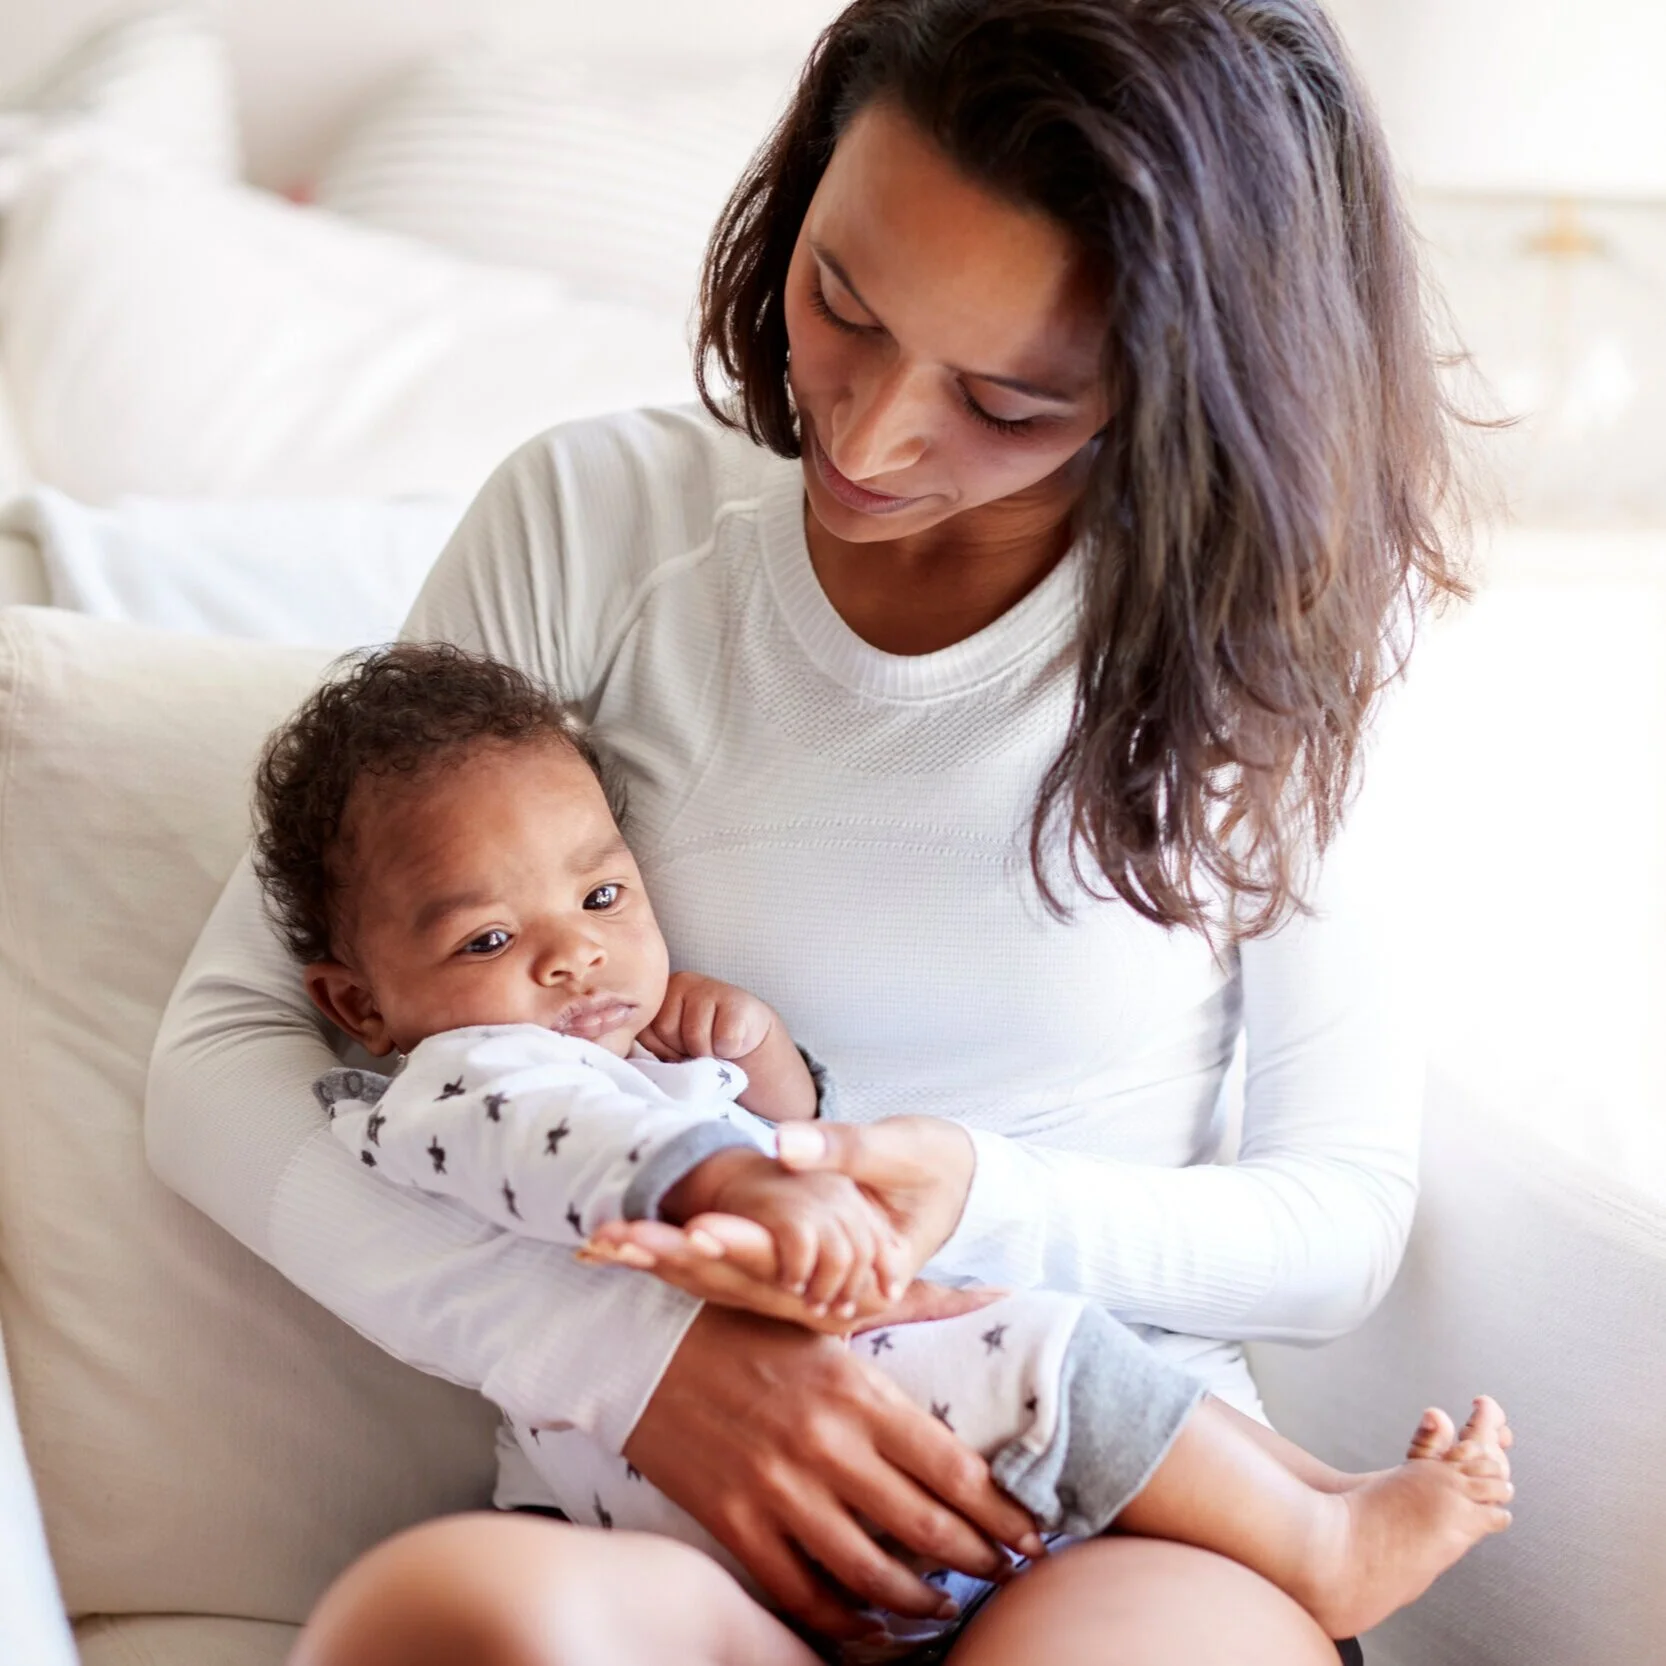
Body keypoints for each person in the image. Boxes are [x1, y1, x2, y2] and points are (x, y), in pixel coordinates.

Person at [147, 2, 1479, 1661]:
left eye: (1007, 398)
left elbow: (1337, 1216)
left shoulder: (1273, 637)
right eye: (842, 298)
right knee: (444, 1621)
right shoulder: (593, 521)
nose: (869, 432)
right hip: (654, 1511)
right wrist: (639, 1366)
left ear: (1177, 384)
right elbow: (224, 1059)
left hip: (1108, 1503)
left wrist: (962, 1197)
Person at [248, 640, 1512, 1660]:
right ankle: (1319, 1536)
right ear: (358, 1003)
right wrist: (737, 1172)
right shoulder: (465, 1076)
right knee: (1042, 1349)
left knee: (1060, 1355)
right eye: (485, 939)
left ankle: (1318, 1504)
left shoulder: (618, 1062)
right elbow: (573, 1144)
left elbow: (739, 1141)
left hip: (855, 1541)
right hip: (713, 1506)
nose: (572, 954)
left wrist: (764, 1070)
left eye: (601, 897)